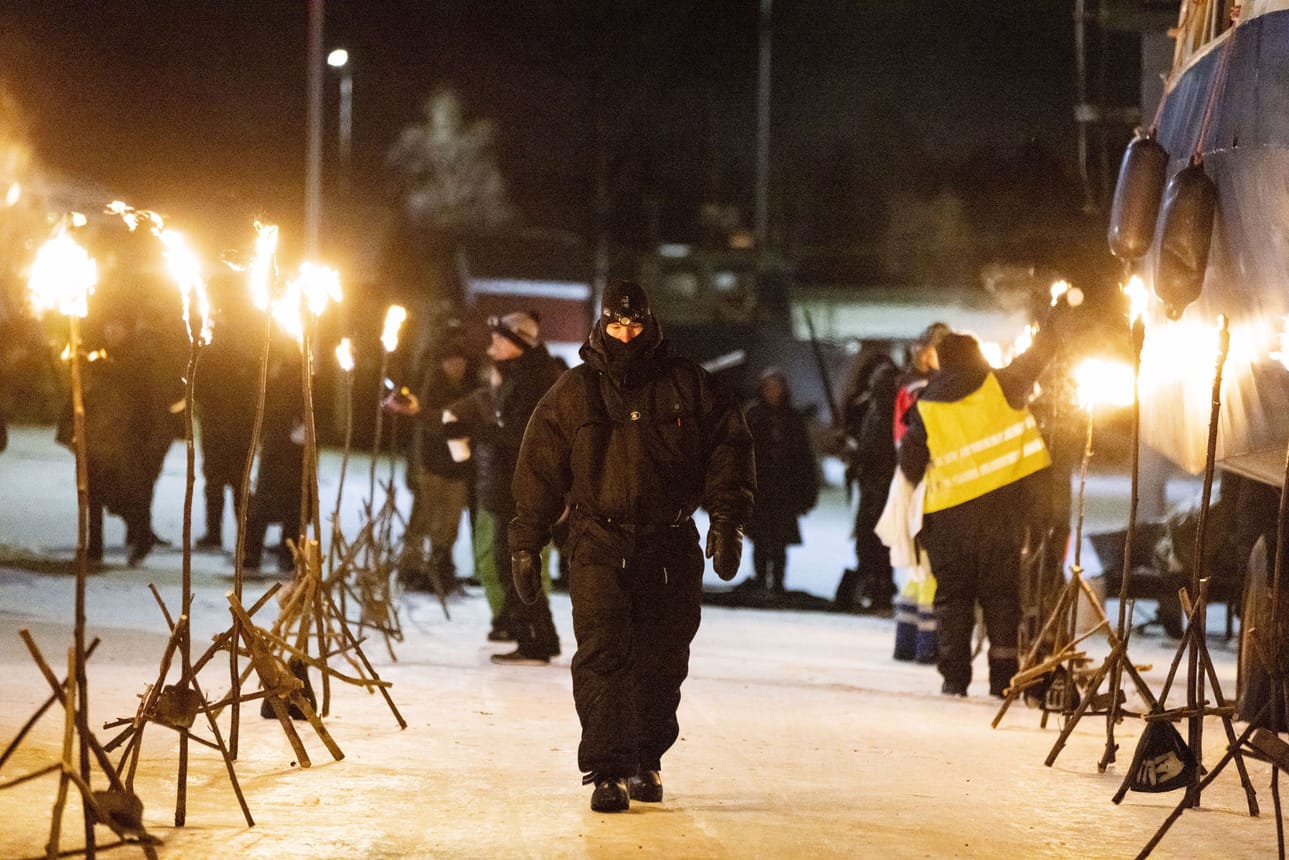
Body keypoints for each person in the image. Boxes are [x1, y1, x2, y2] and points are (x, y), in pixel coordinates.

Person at [509, 278, 755, 813]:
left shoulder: (688, 385)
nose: (625, 334)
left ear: (649, 322)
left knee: (662, 658)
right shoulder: (576, 391)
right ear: (602, 323)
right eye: (616, 324)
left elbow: (729, 450)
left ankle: (647, 758)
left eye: (635, 324)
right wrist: (527, 541)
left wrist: (727, 521)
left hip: (669, 542)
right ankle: (608, 769)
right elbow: (539, 467)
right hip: (598, 541)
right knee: (602, 655)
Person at [897, 308, 1074, 698]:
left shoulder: (926, 404)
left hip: (946, 521)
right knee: (1002, 599)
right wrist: (1056, 320)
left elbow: (909, 465)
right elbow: (1035, 359)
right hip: (1002, 518)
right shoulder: (1002, 385)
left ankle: (954, 679)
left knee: (953, 600)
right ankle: (1003, 679)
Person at [481, 311, 564, 665]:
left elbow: (523, 438)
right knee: (510, 560)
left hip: (524, 488)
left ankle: (537, 638)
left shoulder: (532, 381)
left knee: (517, 561)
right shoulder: (521, 375)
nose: (491, 347)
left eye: (498, 340)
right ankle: (532, 631)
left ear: (517, 345)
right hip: (513, 486)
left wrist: (479, 429)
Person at [395, 336, 478, 594]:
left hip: (458, 467)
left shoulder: (472, 388)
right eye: (450, 361)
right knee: (422, 519)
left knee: (449, 523)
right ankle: (411, 568)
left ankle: (441, 568)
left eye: (459, 361)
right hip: (432, 464)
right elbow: (428, 425)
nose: (456, 366)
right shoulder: (432, 388)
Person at [743, 368, 818, 595]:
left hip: (784, 489)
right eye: (769, 387)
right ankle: (759, 579)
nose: (773, 392)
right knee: (759, 539)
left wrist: (805, 492)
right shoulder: (753, 416)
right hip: (759, 488)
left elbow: (803, 457)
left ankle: (777, 582)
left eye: (777, 387)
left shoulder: (792, 419)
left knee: (779, 541)